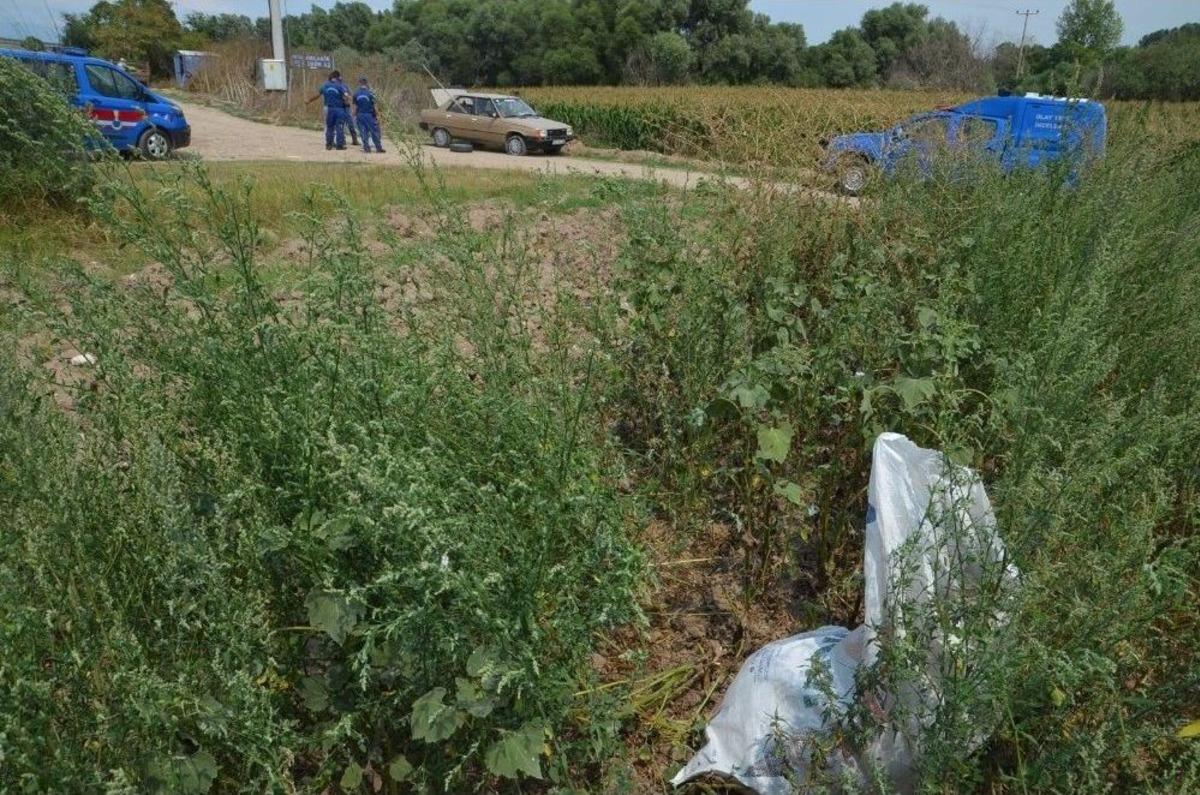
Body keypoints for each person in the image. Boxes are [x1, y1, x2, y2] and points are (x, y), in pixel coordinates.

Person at [307, 70, 349, 150]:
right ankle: (339, 145)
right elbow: (346, 96)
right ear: (337, 77)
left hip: (329, 108)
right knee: (339, 127)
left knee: (329, 127)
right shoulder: (340, 86)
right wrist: (346, 102)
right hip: (339, 109)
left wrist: (309, 101)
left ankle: (329, 144)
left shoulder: (325, 85)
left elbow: (317, 95)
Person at [353, 76, 384, 154]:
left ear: (359, 83)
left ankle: (366, 148)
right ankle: (378, 148)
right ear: (366, 83)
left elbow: (355, 107)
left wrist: (353, 115)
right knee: (374, 131)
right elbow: (374, 106)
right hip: (369, 115)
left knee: (364, 132)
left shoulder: (356, 93)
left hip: (360, 115)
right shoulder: (370, 93)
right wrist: (378, 115)